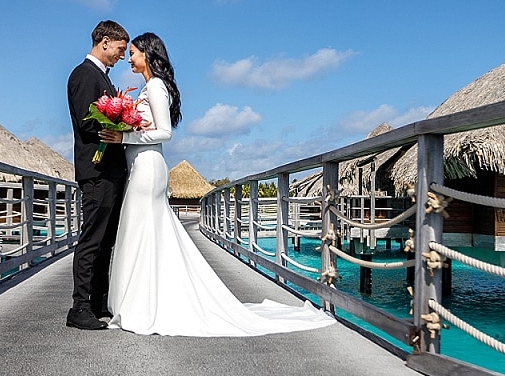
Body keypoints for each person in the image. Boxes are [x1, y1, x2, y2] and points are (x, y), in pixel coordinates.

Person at [99, 33, 334, 336]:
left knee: (143, 229)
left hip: (148, 166)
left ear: (148, 53)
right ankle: (141, 299)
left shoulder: (156, 86)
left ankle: (145, 304)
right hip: (138, 165)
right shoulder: (147, 87)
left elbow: (165, 133)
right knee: (142, 230)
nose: (129, 58)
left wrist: (124, 136)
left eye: (133, 53)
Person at [66, 20, 130, 330]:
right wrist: (119, 124)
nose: (122, 56)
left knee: (106, 240)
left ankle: (97, 301)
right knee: (92, 238)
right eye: (120, 49)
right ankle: (79, 306)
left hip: (111, 171)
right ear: (104, 42)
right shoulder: (83, 75)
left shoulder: (103, 78)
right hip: (96, 170)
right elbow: (86, 122)